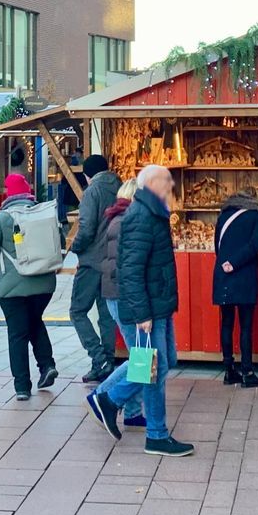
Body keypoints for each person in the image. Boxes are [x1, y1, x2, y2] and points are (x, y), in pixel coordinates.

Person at [86, 165, 195, 457]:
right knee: (152, 367)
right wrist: (142, 314)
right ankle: (140, 422)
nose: (170, 186)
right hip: (148, 308)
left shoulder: (153, 214)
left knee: (160, 362)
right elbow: (131, 270)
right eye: (165, 181)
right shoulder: (140, 216)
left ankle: (115, 405)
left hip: (158, 304)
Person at [0, 173, 59, 400]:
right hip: (44, 284)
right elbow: (57, 241)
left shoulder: (2, 218)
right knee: (34, 322)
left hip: (13, 288)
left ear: (8, 193)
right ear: (27, 191)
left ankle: (22, 386)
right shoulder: (43, 213)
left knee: (17, 334)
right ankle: (47, 365)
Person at [95, 178, 145, 431]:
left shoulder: (117, 220)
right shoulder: (128, 223)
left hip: (117, 296)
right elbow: (130, 269)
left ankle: (133, 412)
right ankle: (103, 395)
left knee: (141, 354)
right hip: (126, 299)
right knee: (144, 357)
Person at [69, 154, 122, 383]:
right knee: (106, 315)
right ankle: (106, 363)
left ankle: (99, 359)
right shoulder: (120, 188)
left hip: (91, 262)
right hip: (112, 260)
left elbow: (86, 228)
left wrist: (74, 247)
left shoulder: (92, 192)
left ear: (88, 174)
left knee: (77, 311)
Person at [213, 187, 258, 388]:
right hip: (244, 274)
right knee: (246, 325)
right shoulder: (257, 216)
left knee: (227, 322)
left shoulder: (223, 216)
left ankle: (229, 370)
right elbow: (256, 244)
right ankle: (247, 371)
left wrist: (227, 263)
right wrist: (235, 263)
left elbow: (217, 246)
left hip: (223, 273)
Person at [57, 151, 89, 241]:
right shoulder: (82, 170)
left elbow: (63, 181)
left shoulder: (70, 169)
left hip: (71, 197)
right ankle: (76, 234)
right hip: (78, 197)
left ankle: (73, 236)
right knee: (78, 216)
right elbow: (84, 182)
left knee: (72, 217)